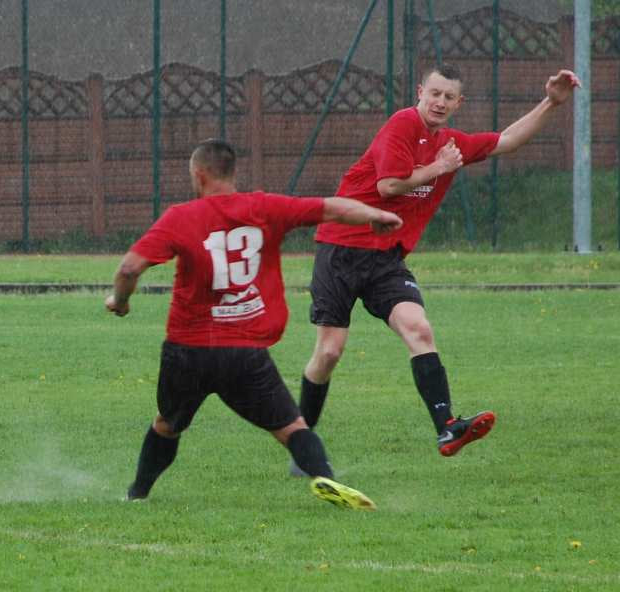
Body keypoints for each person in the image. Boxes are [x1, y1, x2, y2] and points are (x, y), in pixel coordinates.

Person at [295, 66, 580, 470]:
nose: (440, 102)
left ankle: (447, 427)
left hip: (386, 259)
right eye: (435, 93)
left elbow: (507, 140)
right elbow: (388, 186)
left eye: (449, 97)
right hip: (341, 247)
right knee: (329, 351)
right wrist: (438, 168)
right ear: (419, 93)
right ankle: (302, 440)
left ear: (459, 104)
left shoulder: (451, 144)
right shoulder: (403, 124)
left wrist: (551, 102)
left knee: (419, 328)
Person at [105, 139, 403, 509]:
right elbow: (331, 208)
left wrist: (120, 301)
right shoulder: (265, 207)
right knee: (292, 428)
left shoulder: (181, 217)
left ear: (199, 175)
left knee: (167, 424)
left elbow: (130, 267)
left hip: (189, 350)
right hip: (244, 352)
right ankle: (326, 478)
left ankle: (136, 495)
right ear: (233, 173)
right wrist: (373, 215)